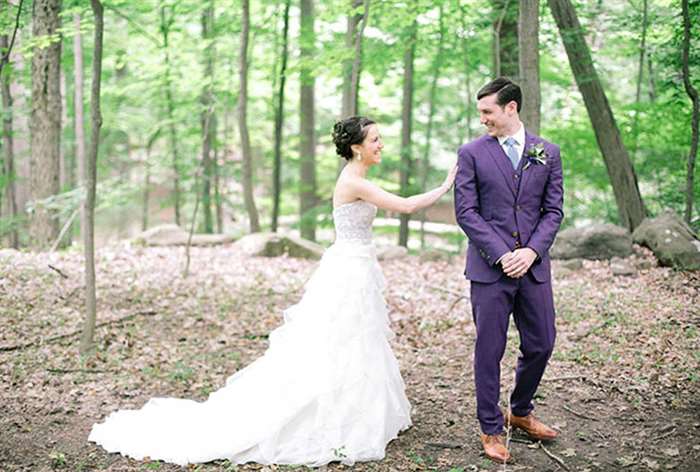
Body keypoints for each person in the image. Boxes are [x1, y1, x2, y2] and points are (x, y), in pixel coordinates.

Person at [88, 115, 457, 468]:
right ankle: (331, 413)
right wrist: (447, 184)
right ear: (358, 148)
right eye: (375, 139)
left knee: (357, 338)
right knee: (342, 337)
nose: (381, 145)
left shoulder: (358, 176)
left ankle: (358, 408)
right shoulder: (354, 180)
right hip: (348, 268)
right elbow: (406, 206)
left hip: (355, 264)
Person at [454, 77, 564, 463]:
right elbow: (466, 212)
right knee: (490, 348)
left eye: (488, 111)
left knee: (542, 343)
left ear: (511, 108)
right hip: (490, 269)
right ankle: (490, 428)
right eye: (480, 111)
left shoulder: (547, 152)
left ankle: (520, 411)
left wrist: (532, 252)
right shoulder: (471, 153)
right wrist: (503, 254)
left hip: (534, 269)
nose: (482, 118)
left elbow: (554, 211)